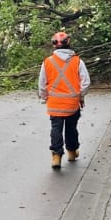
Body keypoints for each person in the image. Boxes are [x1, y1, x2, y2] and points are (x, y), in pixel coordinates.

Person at [38, 31, 91, 170]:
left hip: (54, 104)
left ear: (54, 45)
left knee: (56, 129)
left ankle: (56, 156)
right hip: (72, 104)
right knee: (71, 128)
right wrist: (80, 96)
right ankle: (72, 152)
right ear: (69, 43)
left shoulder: (47, 62)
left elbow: (42, 83)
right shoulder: (78, 61)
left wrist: (44, 97)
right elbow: (86, 82)